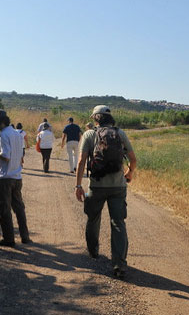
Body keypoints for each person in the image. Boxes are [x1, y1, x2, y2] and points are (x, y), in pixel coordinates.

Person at [75, 105, 137, 278]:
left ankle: (93, 251)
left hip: (96, 186)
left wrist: (78, 185)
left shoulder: (89, 134)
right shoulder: (120, 133)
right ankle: (119, 264)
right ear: (110, 118)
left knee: (93, 218)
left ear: (95, 118)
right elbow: (133, 159)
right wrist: (129, 173)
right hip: (118, 187)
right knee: (118, 223)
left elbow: (81, 162)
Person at [0, 110, 32, 247]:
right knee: (19, 208)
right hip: (17, 176)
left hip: (5, 177)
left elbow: (6, 156)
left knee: (4, 209)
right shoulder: (17, 134)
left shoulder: (4, 134)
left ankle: (8, 239)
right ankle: (25, 236)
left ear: (1, 121)